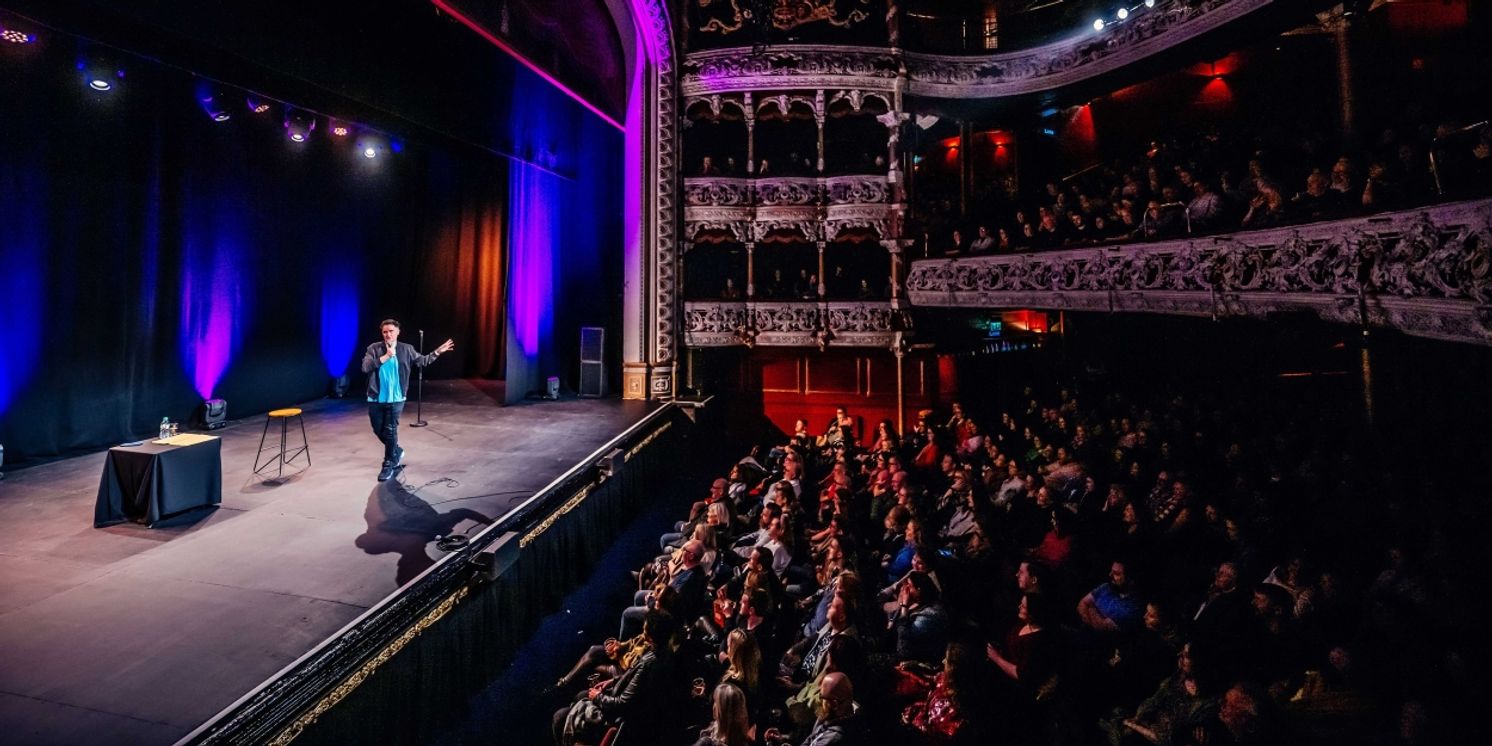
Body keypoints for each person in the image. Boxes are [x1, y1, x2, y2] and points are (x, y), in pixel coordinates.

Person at [361, 319, 454, 481]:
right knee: (378, 429)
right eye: (385, 332)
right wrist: (385, 357)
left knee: (390, 431)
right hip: (376, 397)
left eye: (391, 331)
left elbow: (423, 361)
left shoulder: (406, 349)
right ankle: (396, 450)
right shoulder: (374, 349)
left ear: (398, 332)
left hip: (396, 398)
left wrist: (438, 351)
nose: (388, 334)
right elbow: (365, 367)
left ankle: (388, 463)